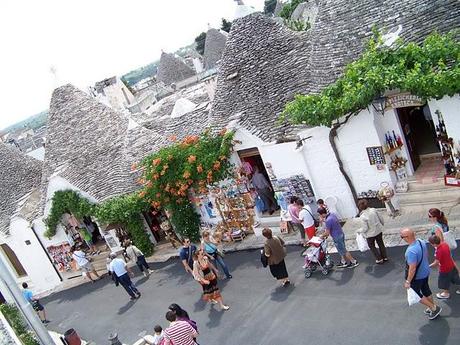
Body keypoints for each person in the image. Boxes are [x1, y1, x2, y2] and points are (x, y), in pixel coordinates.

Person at [400, 228, 442, 320]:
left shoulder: (411, 251)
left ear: (407, 237)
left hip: (417, 277)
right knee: (426, 290)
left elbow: (412, 268)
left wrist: (408, 281)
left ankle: (434, 308)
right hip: (425, 272)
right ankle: (432, 306)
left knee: (416, 294)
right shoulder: (420, 241)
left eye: (402, 237)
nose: (402, 238)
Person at [428, 235, 460, 299]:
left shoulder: (439, 251)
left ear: (434, 244)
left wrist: (428, 266)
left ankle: (446, 293)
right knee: (456, 278)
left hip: (444, 269)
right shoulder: (445, 244)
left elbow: (436, 262)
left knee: (444, 281)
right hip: (451, 265)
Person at [358, 199, 388, 264]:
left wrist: (359, 231)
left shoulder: (363, 216)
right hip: (378, 230)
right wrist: (382, 224)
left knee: (371, 246)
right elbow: (381, 218)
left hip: (370, 234)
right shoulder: (373, 210)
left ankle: (379, 259)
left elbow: (365, 228)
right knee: (380, 243)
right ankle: (384, 257)